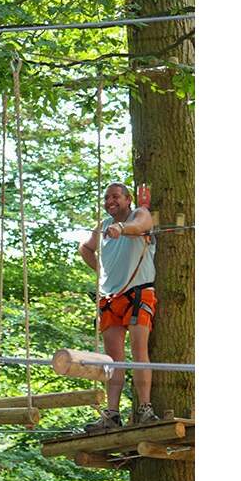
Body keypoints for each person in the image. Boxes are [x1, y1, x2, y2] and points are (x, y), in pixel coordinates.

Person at [78, 182, 158, 431]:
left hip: (138, 293)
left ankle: (144, 408)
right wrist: (101, 271)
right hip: (110, 298)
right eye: (106, 198)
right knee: (113, 360)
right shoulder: (102, 226)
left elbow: (141, 226)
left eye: (115, 197)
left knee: (139, 353)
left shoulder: (139, 214)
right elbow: (86, 248)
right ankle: (112, 414)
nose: (110, 201)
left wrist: (121, 229)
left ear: (128, 199)